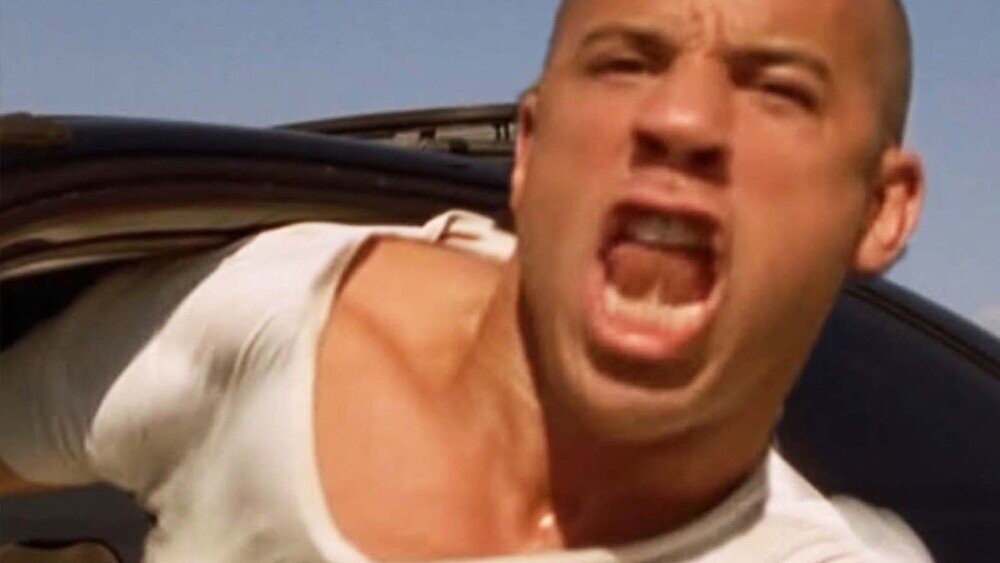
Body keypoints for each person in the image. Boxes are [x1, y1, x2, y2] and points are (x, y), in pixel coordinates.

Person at [0, 0, 933, 561]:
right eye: (625, 63)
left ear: (881, 208)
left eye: (777, 89)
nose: (682, 119)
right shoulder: (273, 319)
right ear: (530, 146)